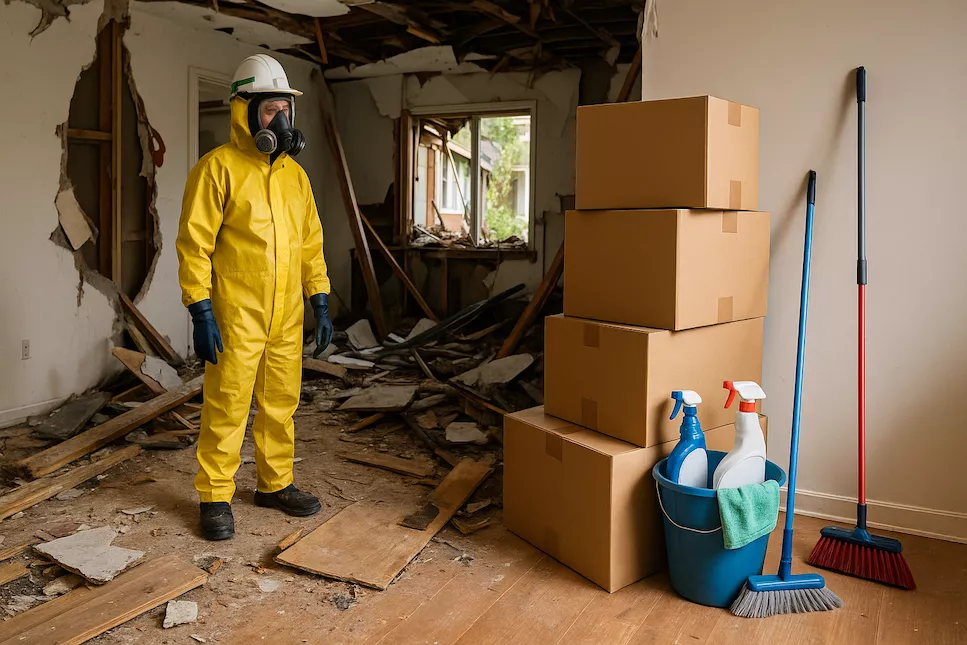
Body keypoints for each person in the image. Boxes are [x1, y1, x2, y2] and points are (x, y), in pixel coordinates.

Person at [176, 54, 333, 541]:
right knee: (227, 404)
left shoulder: (296, 178)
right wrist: (200, 310)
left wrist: (320, 299)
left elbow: (311, 243)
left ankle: (274, 484)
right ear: (244, 111)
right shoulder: (216, 170)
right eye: (271, 110)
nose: (282, 120)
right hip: (235, 314)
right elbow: (194, 245)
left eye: (286, 109)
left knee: (280, 402)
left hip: (285, 316)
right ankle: (216, 496)